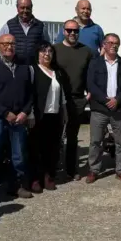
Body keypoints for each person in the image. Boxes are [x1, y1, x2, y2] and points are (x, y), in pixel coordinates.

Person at [0, 33, 35, 202]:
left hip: (19, 117)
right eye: (5, 44)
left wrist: (25, 112)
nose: (9, 47)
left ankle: (16, 186)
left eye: (12, 43)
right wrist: (5, 113)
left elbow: (30, 93)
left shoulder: (23, 64)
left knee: (18, 155)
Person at [86, 33, 121, 184]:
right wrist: (106, 100)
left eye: (116, 43)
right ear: (104, 45)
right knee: (96, 141)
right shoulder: (95, 63)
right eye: (110, 42)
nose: (114, 45)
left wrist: (117, 100)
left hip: (118, 108)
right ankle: (94, 170)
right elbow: (91, 84)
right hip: (99, 108)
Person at [53, 19, 94, 181]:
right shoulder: (54, 50)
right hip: (56, 99)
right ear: (63, 31)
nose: (72, 33)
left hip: (77, 100)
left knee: (72, 137)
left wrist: (88, 95)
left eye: (75, 31)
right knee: (55, 136)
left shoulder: (86, 51)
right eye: (69, 30)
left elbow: (91, 74)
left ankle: (71, 169)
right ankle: (52, 170)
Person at [28, 42, 70, 193]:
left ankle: (48, 177)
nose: (47, 54)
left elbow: (62, 93)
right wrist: (30, 114)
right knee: (36, 148)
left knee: (52, 148)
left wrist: (64, 111)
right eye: (43, 51)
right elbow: (29, 94)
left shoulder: (57, 72)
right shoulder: (33, 70)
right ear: (38, 54)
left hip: (55, 115)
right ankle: (34, 179)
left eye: (50, 51)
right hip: (38, 116)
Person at [0, 0, 46, 65]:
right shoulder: (8, 25)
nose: (25, 10)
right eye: (22, 8)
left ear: (31, 8)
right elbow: (1, 47)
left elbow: (46, 46)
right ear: (17, 8)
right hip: (14, 66)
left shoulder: (41, 26)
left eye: (28, 8)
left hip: (34, 66)